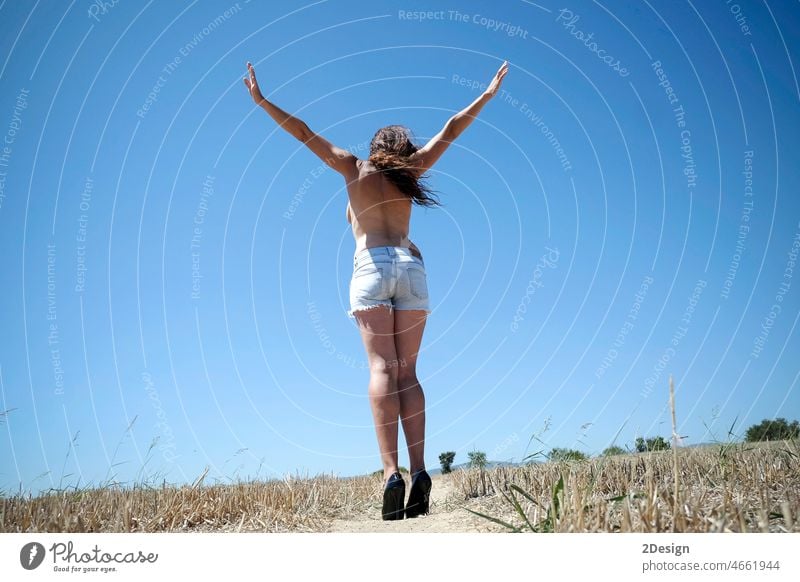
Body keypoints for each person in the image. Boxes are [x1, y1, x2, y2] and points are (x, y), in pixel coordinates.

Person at [244, 60, 509, 520]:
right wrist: (486, 95)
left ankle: (391, 473)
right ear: (403, 149)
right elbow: (451, 128)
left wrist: (263, 101)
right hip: (411, 266)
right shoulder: (412, 172)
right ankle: (422, 469)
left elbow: (304, 132)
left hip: (370, 267)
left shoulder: (352, 168)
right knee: (409, 372)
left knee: (382, 370)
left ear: (373, 147)